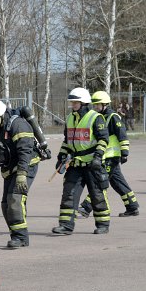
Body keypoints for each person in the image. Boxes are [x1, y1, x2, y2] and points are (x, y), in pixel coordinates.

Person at [52, 87, 111, 235]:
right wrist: (61, 157)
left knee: (97, 194)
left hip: (92, 164)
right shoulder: (70, 118)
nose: (72, 105)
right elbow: (67, 141)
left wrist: (98, 157)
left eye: (75, 103)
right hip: (75, 164)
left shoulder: (95, 117)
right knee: (69, 194)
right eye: (72, 103)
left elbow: (104, 140)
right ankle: (66, 225)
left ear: (84, 103)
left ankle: (103, 224)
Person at [0, 98, 40, 249]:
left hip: (26, 165)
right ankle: (16, 235)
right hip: (10, 167)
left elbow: (25, 151)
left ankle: (20, 238)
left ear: (1, 114)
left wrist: (22, 174)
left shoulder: (17, 125)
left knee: (15, 200)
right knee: (5, 204)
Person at [76, 91, 139, 218]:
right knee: (117, 182)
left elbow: (122, 135)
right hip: (105, 156)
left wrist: (125, 152)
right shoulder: (97, 117)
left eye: (98, 105)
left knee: (100, 181)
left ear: (105, 104)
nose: (95, 107)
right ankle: (132, 206)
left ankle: (86, 207)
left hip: (111, 156)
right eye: (94, 105)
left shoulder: (113, 117)